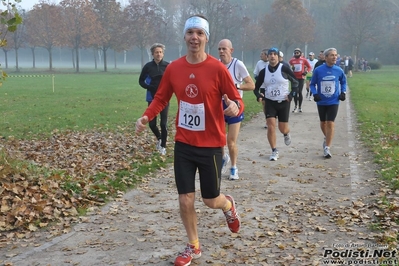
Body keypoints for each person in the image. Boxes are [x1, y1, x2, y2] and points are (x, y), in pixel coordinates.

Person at [135, 15, 242, 266]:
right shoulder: (174, 68)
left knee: (210, 199)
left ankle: (227, 205)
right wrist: (146, 116)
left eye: (200, 33)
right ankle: (193, 245)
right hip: (184, 143)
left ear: (206, 38)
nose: (195, 37)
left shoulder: (217, 68)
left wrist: (235, 107)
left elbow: (236, 98)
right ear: (184, 37)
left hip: (211, 145)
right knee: (185, 198)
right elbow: (161, 98)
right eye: (190, 32)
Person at [218, 39, 255, 180]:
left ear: (231, 50)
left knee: (231, 141)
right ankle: (223, 158)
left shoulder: (237, 65)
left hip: (235, 105)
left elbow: (251, 85)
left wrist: (236, 86)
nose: (221, 52)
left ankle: (234, 167)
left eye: (224, 49)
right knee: (218, 140)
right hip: (219, 106)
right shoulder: (215, 65)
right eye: (219, 49)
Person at [253, 47, 299, 161]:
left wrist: (291, 94)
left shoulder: (284, 68)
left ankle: (286, 133)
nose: (272, 56)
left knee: (282, 128)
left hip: (283, 102)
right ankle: (274, 150)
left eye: (275, 54)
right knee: (271, 126)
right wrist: (258, 96)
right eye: (270, 54)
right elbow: (256, 88)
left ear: (278, 57)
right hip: (270, 102)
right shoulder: (264, 72)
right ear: (267, 57)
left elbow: (295, 82)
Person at [310, 47, 347, 158]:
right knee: (323, 123)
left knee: (330, 123)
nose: (334, 57)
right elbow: (312, 84)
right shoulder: (318, 70)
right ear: (326, 58)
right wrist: (315, 94)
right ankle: (327, 137)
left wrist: (343, 92)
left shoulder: (339, 70)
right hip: (321, 101)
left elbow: (344, 82)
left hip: (333, 100)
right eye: (332, 55)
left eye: (336, 55)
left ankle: (327, 148)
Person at [138, 43, 170, 155]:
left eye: (161, 52)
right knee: (152, 124)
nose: (159, 54)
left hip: (165, 98)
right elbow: (140, 81)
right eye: (157, 52)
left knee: (163, 123)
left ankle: (163, 146)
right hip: (152, 97)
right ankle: (160, 138)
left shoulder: (167, 66)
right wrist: (149, 87)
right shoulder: (148, 67)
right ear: (152, 54)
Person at [289, 48, 312, 113]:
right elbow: (288, 67)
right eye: (295, 53)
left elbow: (309, 67)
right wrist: (291, 70)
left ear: (300, 53)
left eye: (297, 53)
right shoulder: (291, 60)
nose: (296, 54)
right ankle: (295, 106)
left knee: (299, 91)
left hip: (301, 77)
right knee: (295, 92)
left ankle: (300, 107)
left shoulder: (303, 60)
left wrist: (306, 71)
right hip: (294, 78)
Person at [253, 48, 269, 129]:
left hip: (271, 87)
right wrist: (259, 81)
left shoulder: (272, 62)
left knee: (272, 104)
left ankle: (272, 118)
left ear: (266, 55)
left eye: (262, 54)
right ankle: (267, 120)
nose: (260, 55)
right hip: (262, 87)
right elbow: (255, 74)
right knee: (264, 104)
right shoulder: (259, 63)